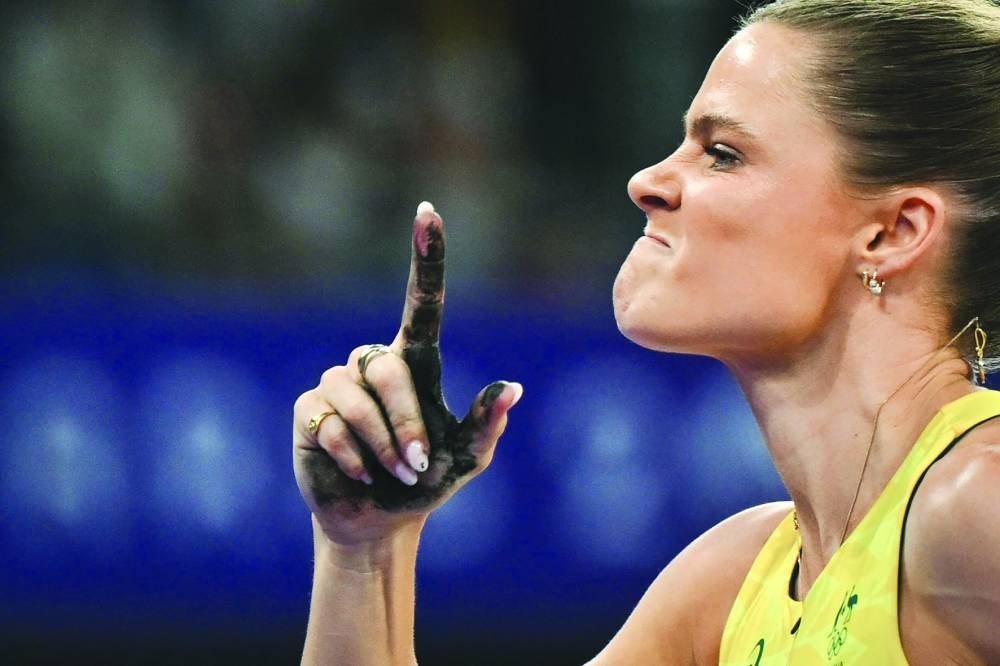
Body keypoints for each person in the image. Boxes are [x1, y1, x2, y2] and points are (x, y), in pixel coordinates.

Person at [291, 0, 1000, 663]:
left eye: (723, 152)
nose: (647, 181)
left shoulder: (975, 502)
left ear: (891, 232)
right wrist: (365, 551)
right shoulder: (730, 584)